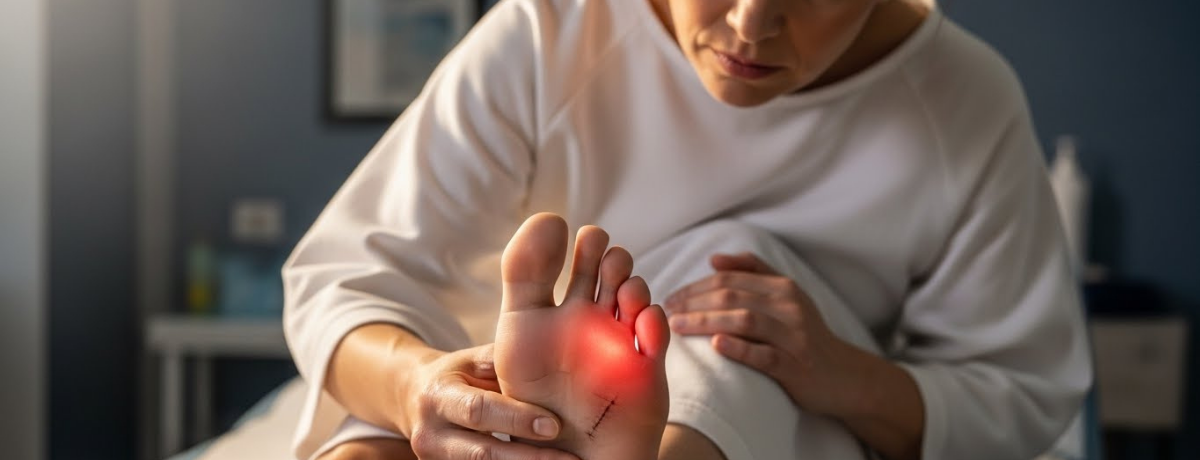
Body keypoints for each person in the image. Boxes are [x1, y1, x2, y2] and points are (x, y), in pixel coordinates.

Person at [282, 0, 1093, 458]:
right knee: (380, 441)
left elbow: (1026, 394)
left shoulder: (965, 103)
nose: (749, 25)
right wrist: (419, 388)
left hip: (777, 419)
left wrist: (841, 375)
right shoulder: (551, 30)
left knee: (733, 307)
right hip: (510, 398)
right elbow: (344, 279)